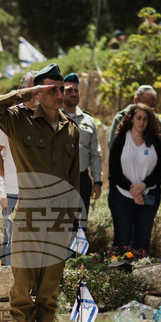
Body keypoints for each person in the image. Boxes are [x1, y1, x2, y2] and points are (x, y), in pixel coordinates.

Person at [0, 63, 79, 322]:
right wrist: (25, 92)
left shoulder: (70, 129)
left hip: (60, 211)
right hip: (28, 208)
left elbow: (74, 178)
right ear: (38, 92)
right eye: (52, 89)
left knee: (52, 276)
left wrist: (73, 219)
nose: (59, 94)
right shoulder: (19, 120)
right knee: (23, 275)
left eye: (61, 89)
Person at [0, 71, 36, 267]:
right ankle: (11, 292)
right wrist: (6, 185)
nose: (36, 93)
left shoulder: (49, 117)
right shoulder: (10, 117)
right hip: (15, 193)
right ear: (22, 91)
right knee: (14, 245)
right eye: (32, 88)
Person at [107, 103, 161, 253]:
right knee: (122, 239)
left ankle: (140, 274)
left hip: (148, 195)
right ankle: (119, 275)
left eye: (145, 119)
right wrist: (134, 190)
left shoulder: (155, 141)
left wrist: (143, 186)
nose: (142, 122)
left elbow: (159, 170)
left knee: (142, 240)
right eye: (138, 118)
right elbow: (114, 171)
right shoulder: (120, 140)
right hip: (122, 195)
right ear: (131, 119)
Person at [61, 73, 103, 216]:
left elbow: (95, 153)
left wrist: (97, 182)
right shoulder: (53, 118)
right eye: (69, 90)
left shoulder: (88, 120)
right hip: (60, 179)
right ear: (61, 93)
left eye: (76, 90)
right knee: (59, 225)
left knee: (80, 227)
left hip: (82, 180)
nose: (74, 93)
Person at [107, 85, 161, 152]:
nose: (147, 110)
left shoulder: (155, 121)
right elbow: (112, 146)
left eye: (151, 107)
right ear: (135, 101)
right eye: (144, 106)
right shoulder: (121, 118)